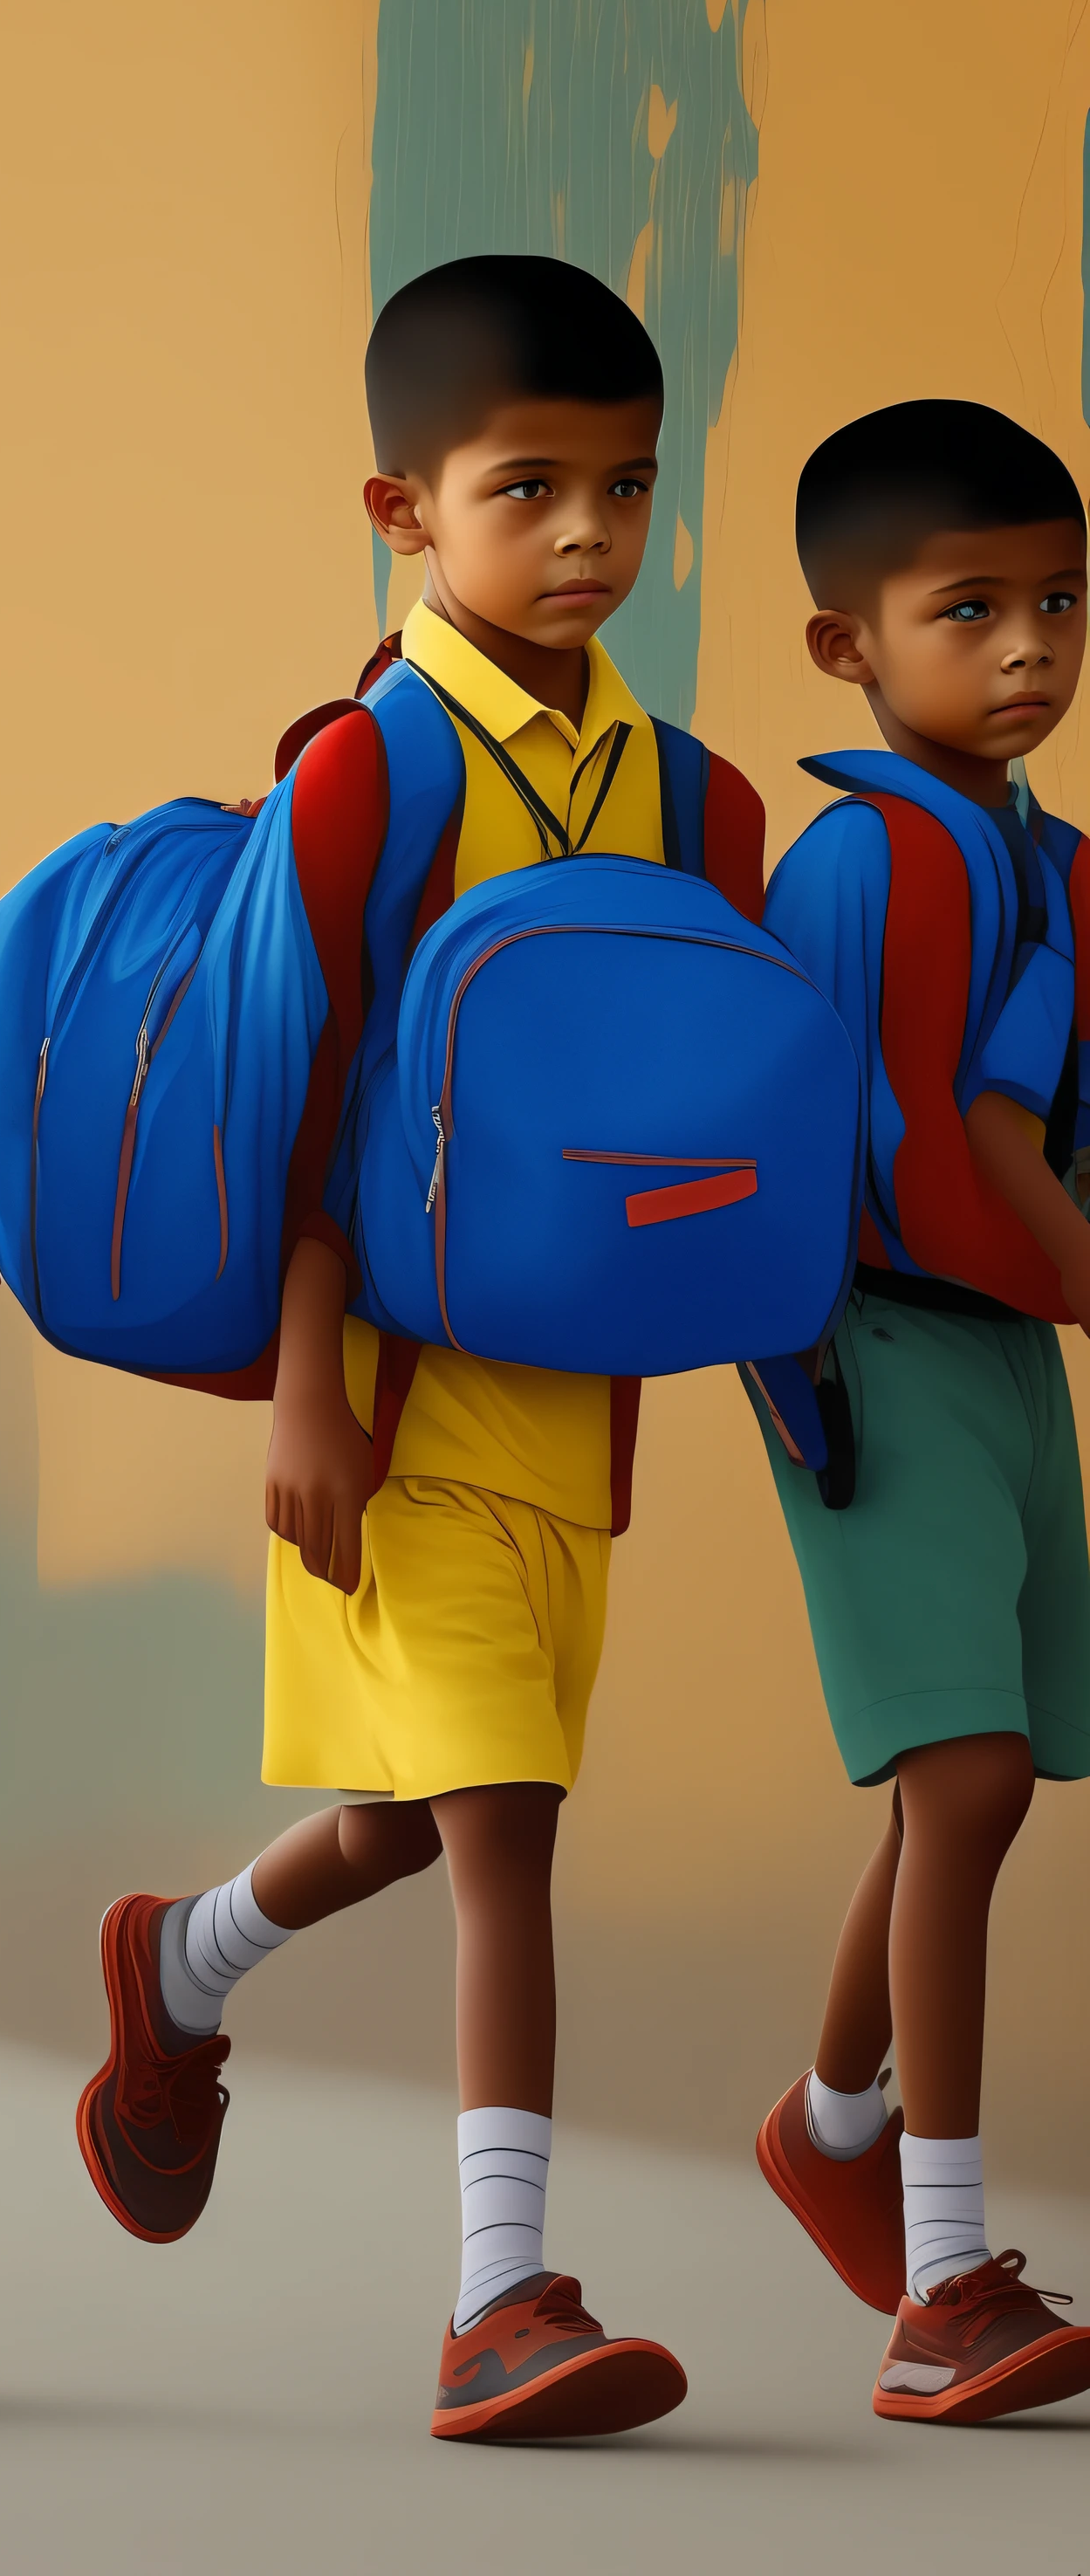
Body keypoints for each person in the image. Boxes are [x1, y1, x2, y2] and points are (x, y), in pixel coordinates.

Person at [77, 256, 752, 2442]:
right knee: (507, 1830)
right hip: (385, 1401)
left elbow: (708, 1125)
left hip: (580, 1417)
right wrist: (299, 1387)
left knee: (402, 1819)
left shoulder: (696, 795)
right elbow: (298, 1083)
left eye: (627, 486)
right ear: (403, 507)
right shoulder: (365, 772)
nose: (584, 534)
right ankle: (502, 2296)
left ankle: (181, 1965)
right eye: (526, 484)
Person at [746, 399, 1090, 2425]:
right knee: (958, 1783)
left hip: (1006, 1352)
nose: (1031, 647)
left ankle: (828, 2124)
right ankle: (943, 2278)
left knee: (988, 1775)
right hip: (870, 1344)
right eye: (970, 608)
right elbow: (933, 1159)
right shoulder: (862, 860)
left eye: (1059, 601)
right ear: (845, 646)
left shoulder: (1051, 860)